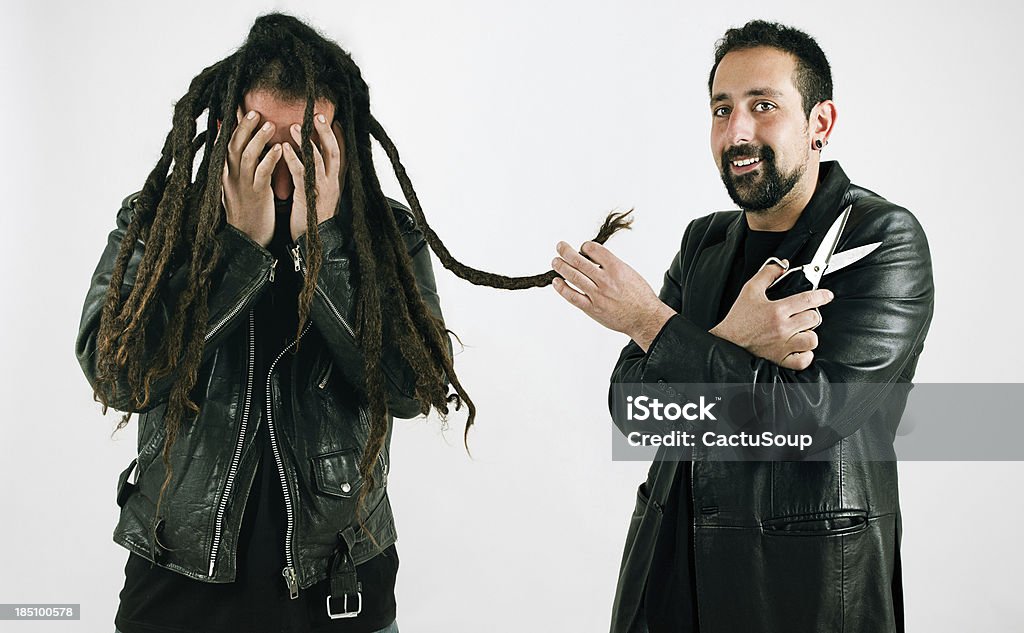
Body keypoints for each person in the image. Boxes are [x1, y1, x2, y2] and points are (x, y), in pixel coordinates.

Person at [551, 20, 934, 633]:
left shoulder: (883, 240)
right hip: (672, 578)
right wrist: (731, 338)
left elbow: (812, 419)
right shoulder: (703, 241)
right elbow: (635, 410)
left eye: (764, 106)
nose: (738, 132)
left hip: (803, 588)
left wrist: (653, 322)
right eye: (721, 110)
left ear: (820, 124)